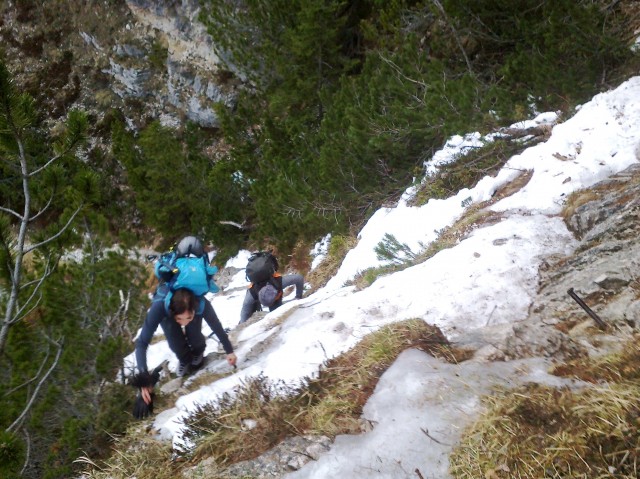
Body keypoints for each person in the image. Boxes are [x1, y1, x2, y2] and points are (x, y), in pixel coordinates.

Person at [135, 288, 237, 405]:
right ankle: (184, 359)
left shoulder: (200, 304)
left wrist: (229, 350)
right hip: (168, 315)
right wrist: (144, 379)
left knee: (195, 338)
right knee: (175, 344)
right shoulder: (159, 307)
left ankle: (197, 353)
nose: (184, 322)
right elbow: (142, 343)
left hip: (190, 312)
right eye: (179, 319)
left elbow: (216, 326)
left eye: (188, 318)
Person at [239, 271, 304, 324]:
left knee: (277, 314)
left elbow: (299, 278)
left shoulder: (279, 282)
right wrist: (242, 325)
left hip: (275, 290)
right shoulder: (251, 294)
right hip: (261, 291)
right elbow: (244, 312)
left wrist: (298, 297)